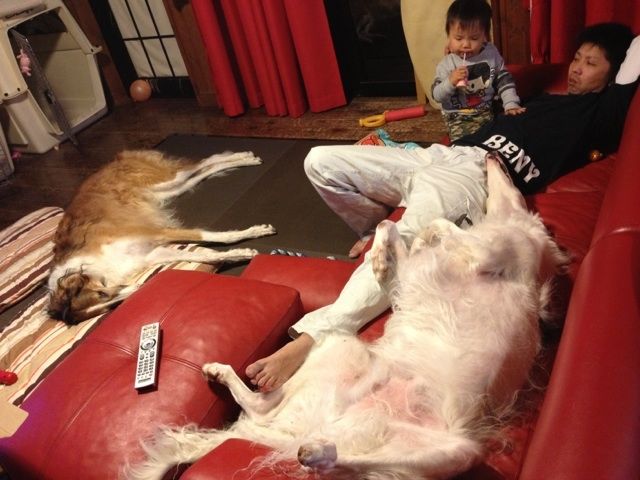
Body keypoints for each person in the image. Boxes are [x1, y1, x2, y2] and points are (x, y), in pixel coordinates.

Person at [246, 23, 640, 392]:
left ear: (613, 74)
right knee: (320, 162)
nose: (576, 69)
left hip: (478, 175)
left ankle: (313, 338)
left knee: (401, 245)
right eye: (577, 58)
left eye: (591, 63)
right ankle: (371, 229)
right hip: (442, 155)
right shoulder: (547, 99)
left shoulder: (600, 116)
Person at [432, 0, 525, 142]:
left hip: (487, 112)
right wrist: (450, 81)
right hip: (458, 118)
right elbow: (437, 95)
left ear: (485, 36)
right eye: (458, 38)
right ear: (448, 36)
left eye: (474, 38)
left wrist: (511, 104)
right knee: (467, 146)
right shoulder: (447, 64)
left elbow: (504, 80)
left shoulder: (491, 54)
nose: (466, 45)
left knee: (506, 138)